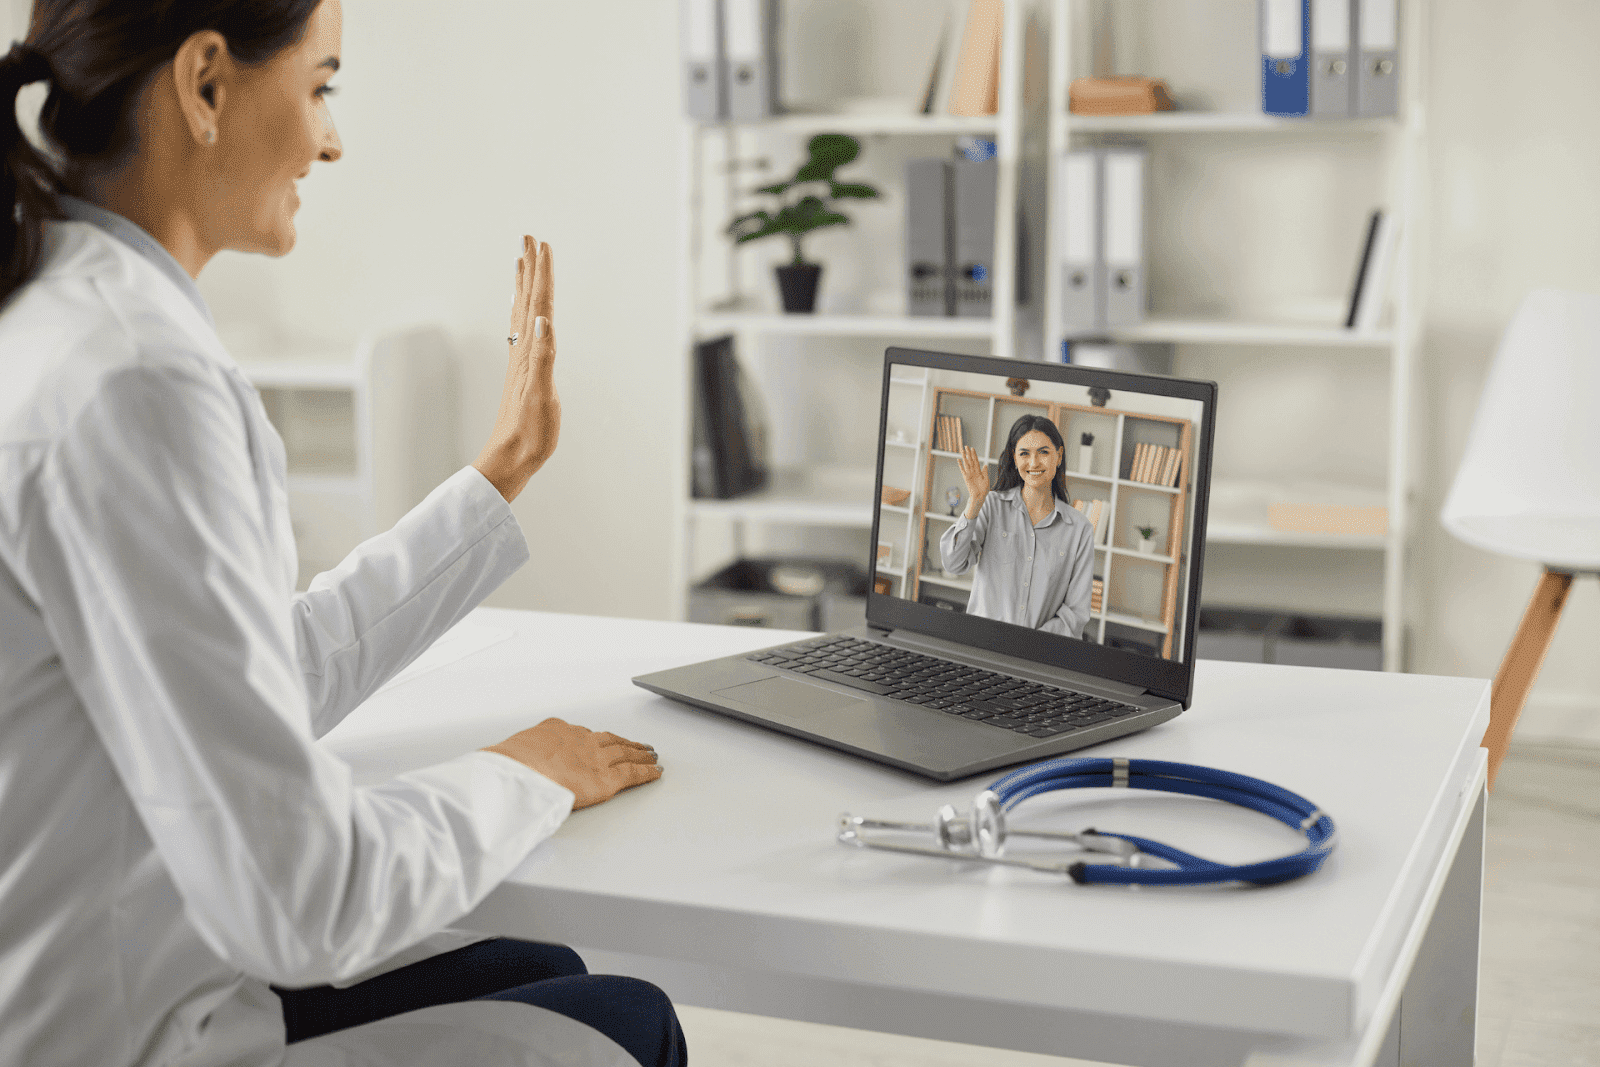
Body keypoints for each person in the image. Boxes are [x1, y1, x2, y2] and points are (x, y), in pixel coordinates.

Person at [0, 2, 684, 1065]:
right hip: (117, 1032)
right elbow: (301, 893)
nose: (331, 138)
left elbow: (250, 671)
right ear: (206, 85)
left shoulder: (63, 311)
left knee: (538, 961)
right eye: (320, 86)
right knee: (631, 1023)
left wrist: (499, 470)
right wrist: (526, 771)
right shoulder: (133, 377)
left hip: (123, 970)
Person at [939, 414, 1095, 638]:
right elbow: (953, 564)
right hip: (982, 646)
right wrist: (974, 501)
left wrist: (1029, 644)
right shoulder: (991, 506)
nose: (1033, 463)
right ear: (1014, 458)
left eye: (1043, 452)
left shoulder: (1080, 530)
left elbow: (1076, 613)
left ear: (1059, 456)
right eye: (1024, 453)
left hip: (1039, 656)